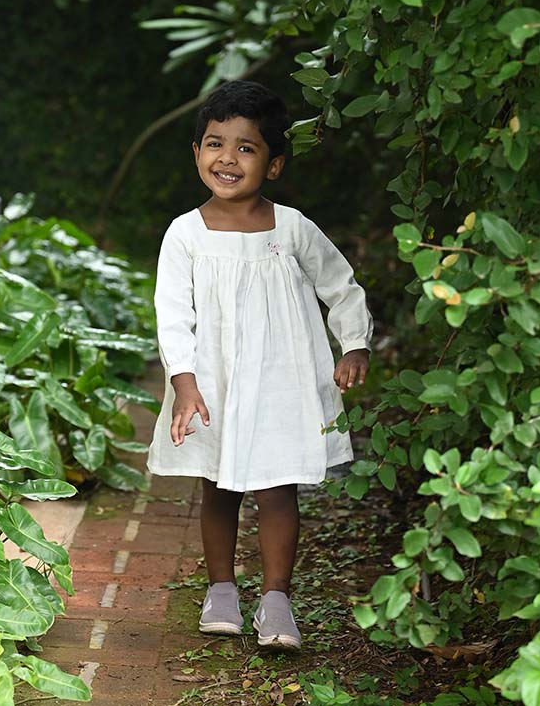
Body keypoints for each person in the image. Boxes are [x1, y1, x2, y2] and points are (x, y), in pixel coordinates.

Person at [147, 80, 373, 651]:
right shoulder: (185, 235)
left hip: (281, 380)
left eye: (245, 148)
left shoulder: (292, 228)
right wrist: (184, 383)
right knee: (218, 485)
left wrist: (354, 345)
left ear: (273, 165)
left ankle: (276, 599)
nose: (226, 158)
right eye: (214, 143)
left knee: (277, 490)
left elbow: (340, 285)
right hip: (215, 381)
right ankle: (221, 589)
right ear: (196, 151)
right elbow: (173, 315)